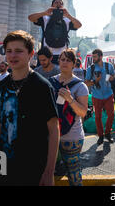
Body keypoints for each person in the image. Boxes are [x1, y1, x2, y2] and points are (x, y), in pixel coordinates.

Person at [0, 30, 59, 186]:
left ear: (30, 54)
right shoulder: (0, 87)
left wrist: (49, 172)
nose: (13, 55)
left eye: (19, 51)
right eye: (9, 51)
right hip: (4, 165)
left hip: (33, 167)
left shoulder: (42, 87)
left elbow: (54, 129)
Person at [49, 49, 88, 186]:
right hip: (51, 135)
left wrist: (69, 99)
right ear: (58, 61)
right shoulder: (51, 82)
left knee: (74, 175)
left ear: (73, 64)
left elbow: (83, 112)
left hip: (72, 138)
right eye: (62, 59)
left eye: (68, 60)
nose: (65, 62)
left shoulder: (80, 86)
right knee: (48, 173)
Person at [28, 0, 82, 65]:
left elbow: (79, 25)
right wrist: (44, 13)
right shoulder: (45, 18)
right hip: (46, 54)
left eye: (61, 3)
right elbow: (30, 18)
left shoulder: (67, 20)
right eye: (56, 3)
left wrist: (68, 15)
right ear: (52, 6)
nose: (58, 4)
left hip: (62, 55)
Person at [85, 49, 115, 145]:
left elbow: (113, 76)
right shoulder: (91, 68)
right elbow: (86, 83)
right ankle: (100, 136)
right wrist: (95, 81)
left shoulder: (108, 66)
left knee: (111, 114)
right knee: (98, 117)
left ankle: (108, 133)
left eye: (95, 56)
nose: (93, 58)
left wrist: (111, 78)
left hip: (108, 94)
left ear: (101, 56)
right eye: (92, 56)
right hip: (96, 95)